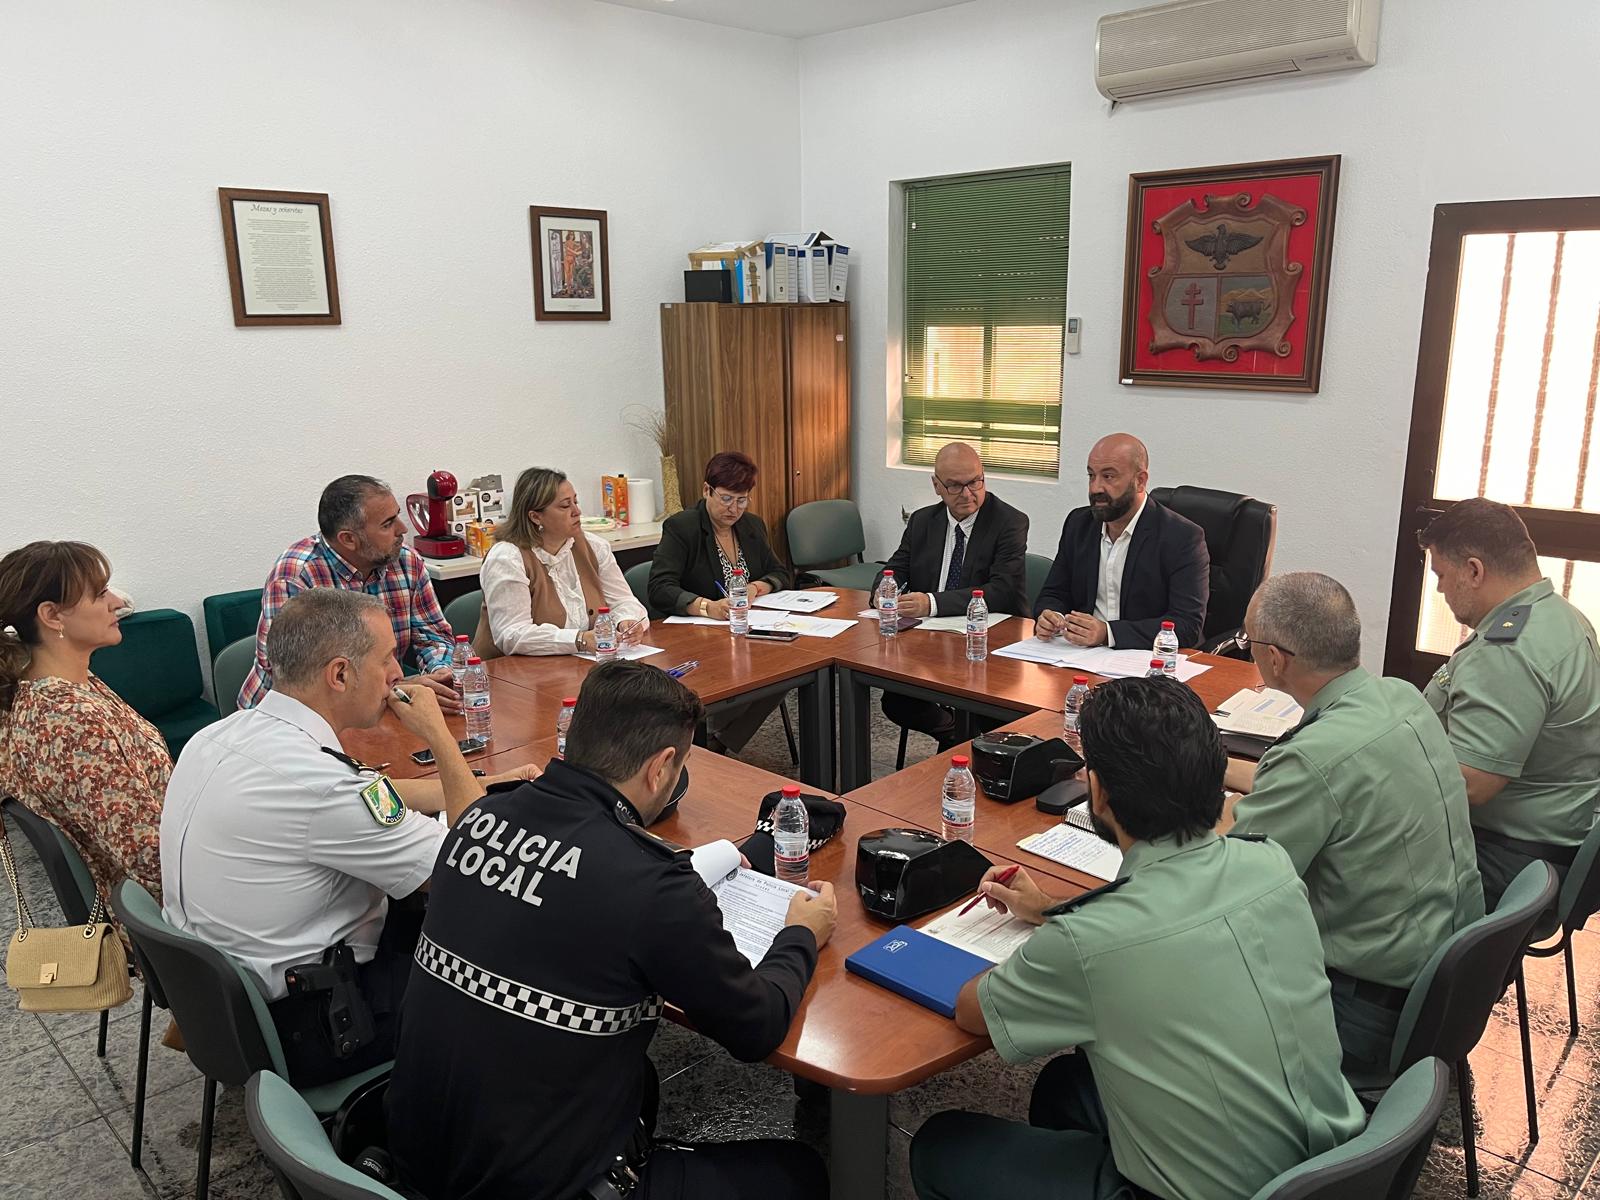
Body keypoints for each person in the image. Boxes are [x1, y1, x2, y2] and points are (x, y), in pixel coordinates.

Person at [387, 660, 836, 1200]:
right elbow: (757, 1027)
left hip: (417, 1154)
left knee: (639, 1078)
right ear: (662, 768)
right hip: (531, 1186)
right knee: (798, 1174)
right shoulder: (651, 880)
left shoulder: (478, 819)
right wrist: (801, 935)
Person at [910, 676, 1364, 1200]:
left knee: (940, 1145)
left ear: (1097, 792)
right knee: (1065, 1088)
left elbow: (973, 1011)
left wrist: (1058, 940)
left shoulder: (1091, 939)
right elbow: (1167, 922)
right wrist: (1051, 913)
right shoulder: (1271, 863)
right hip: (1329, 1171)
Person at [162, 589, 536, 1086]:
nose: (398, 676)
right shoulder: (323, 788)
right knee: (514, 951)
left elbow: (367, 792)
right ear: (339, 674)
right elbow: (471, 863)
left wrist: (484, 784)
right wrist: (439, 737)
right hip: (318, 1025)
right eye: (386, 661)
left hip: (223, 1013)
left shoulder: (223, 734)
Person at [1224, 573, 1483, 1074]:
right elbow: (1330, 785)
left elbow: (1229, 893)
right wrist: (1217, 769)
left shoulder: (1312, 759)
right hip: (1446, 982)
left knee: (1174, 989)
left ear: (1274, 659)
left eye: (1247, 643)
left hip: (1364, 1014)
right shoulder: (1401, 698)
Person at [1418, 498, 1600, 909]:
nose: (1441, 589)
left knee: (1343, 865)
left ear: (1474, 571)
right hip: (1550, 846)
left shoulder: (1509, 650)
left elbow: (1470, 783)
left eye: (1442, 575)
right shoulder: (1561, 617)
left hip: (1506, 859)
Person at [0, 541, 164, 906]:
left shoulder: (67, 685)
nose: (117, 603)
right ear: (53, 616)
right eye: (100, 594)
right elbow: (151, 858)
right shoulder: (68, 720)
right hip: (164, 910)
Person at [237, 475, 459, 712]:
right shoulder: (296, 576)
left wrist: (440, 672)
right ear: (349, 539)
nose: (402, 529)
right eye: (387, 524)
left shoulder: (406, 561)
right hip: (286, 719)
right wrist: (401, 687)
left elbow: (432, 633)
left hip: (375, 707)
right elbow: (303, 678)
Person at [874, 441, 1029, 748]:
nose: (968, 493)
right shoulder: (922, 521)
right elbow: (895, 568)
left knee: (985, 709)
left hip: (988, 643)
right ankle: (953, 734)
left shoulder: (1009, 522)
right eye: (956, 486)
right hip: (929, 643)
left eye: (975, 482)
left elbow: (1001, 590)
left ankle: (960, 740)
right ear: (937, 486)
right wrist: (883, 592)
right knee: (896, 698)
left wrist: (930, 603)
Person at [649, 451, 794, 752]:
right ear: (707, 491)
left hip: (747, 631)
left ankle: (720, 739)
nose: (734, 509)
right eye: (727, 498)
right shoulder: (682, 527)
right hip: (698, 637)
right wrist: (706, 606)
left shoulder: (752, 526)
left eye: (742, 500)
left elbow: (780, 572)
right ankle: (711, 736)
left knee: (789, 669)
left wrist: (757, 586)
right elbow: (660, 588)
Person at [1034, 433, 1208, 650]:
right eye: (1091, 475)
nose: (1095, 488)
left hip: (1149, 661)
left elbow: (1186, 625)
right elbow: (1054, 593)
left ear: (1140, 481)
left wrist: (1107, 633)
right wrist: (1051, 616)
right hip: (1079, 656)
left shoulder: (1182, 537)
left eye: (1108, 477)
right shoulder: (1079, 524)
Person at [475, 466, 648, 658]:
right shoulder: (507, 558)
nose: (577, 511)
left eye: (576, 501)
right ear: (535, 516)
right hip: (513, 674)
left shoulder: (594, 546)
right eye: (565, 506)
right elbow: (512, 634)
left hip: (579, 665)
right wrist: (578, 640)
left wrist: (626, 621)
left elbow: (624, 600)